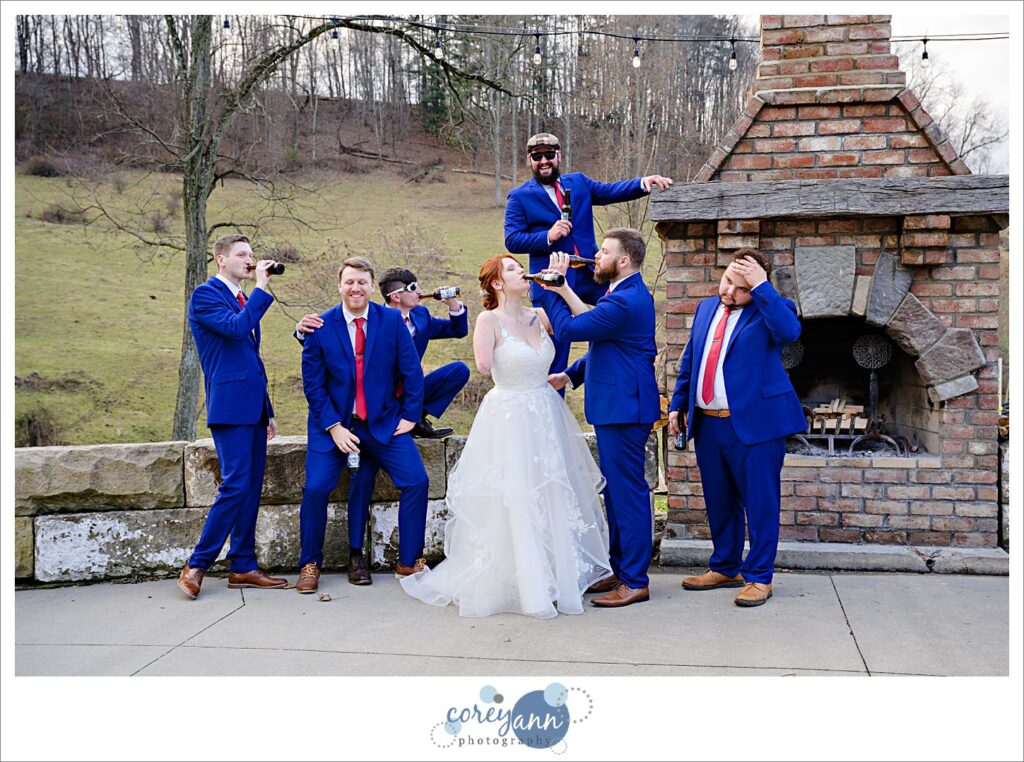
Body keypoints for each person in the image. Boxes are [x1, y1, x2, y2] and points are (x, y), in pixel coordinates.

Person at [400, 254, 612, 618]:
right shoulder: (489, 319)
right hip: (509, 415)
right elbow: (484, 365)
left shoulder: (540, 314)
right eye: (513, 269)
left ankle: (555, 576)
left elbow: (585, 322)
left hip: (545, 411)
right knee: (515, 493)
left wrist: (559, 288)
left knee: (550, 489)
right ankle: (523, 582)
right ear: (498, 282)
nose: (523, 272)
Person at [668, 249, 805, 608]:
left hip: (757, 425)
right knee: (719, 500)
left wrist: (761, 287)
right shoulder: (706, 309)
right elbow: (692, 360)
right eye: (728, 281)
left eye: (742, 288)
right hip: (708, 423)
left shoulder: (774, 309)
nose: (729, 292)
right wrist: (678, 404)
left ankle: (759, 576)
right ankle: (725, 566)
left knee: (761, 503)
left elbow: (789, 333)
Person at [540, 228, 660, 608]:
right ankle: (620, 569)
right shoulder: (621, 292)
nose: (596, 255)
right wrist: (571, 374)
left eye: (604, 251)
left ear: (623, 260)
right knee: (616, 492)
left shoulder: (626, 299)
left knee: (628, 494)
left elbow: (571, 329)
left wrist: (552, 288)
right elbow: (607, 341)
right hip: (618, 405)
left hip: (625, 408)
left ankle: (635, 580)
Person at [295, 257, 430, 594]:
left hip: (382, 423)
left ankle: (408, 561)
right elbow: (313, 386)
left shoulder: (392, 321)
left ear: (371, 286)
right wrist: (333, 427)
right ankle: (310, 563)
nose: (355, 288)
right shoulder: (320, 326)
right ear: (339, 286)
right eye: (349, 282)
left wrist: (410, 416)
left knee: (416, 481)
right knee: (316, 488)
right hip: (333, 427)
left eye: (362, 282)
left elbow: (411, 371)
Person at [503, 132, 672, 381]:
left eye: (549, 155)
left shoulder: (579, 182)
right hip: (553, 280)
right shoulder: (519, 196)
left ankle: (632, 367)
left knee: (629, 306)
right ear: (530, 160)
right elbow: (512, 239)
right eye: (537, 157)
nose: (543, 161)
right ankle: (553, 396)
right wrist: (547, 235)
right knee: (555, 356)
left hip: (591, 274)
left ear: (559, 156)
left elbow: (610, 191)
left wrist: (643, 183)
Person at [178, 234, 288, 599]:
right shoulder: (205, 295)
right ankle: (197, 565)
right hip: (228, 406)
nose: (250, 259)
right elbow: (237, 329)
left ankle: (243, 565)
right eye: (242, 254)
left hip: (253, 407)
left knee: (251, 487)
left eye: (251, 254)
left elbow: (250, 358)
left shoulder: (242, 299)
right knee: (236, 484)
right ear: (221, 260)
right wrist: (261, 288)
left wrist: (267, 410)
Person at [296, 266, 469, 438]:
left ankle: (416, 419)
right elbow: (332, 345)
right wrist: (302, 331)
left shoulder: (421, 316)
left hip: (410, 390)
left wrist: (453, 304)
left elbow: (458, 330)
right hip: (378, 396)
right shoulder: (370, 320)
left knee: (459, 370)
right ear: (396, 296)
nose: (420, 292)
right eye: (413, 288)